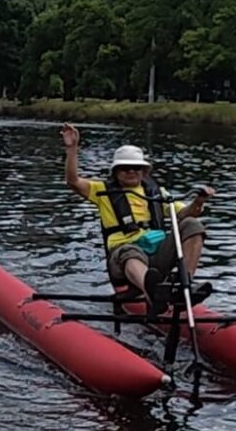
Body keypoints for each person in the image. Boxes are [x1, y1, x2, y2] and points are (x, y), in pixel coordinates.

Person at [60, 124, 213, 312]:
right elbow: (73, 181)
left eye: (136, 168)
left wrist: (198, 202)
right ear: (116, 172)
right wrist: (72, 149)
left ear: (144, 171)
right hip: (124, 255)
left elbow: (184, 214)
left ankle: (185, 286)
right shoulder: (102, 191)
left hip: (156, 254)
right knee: (130, 253)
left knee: (193, 225)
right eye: (125, 168)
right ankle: (153, 293)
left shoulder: (157, 192)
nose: (131, 171)